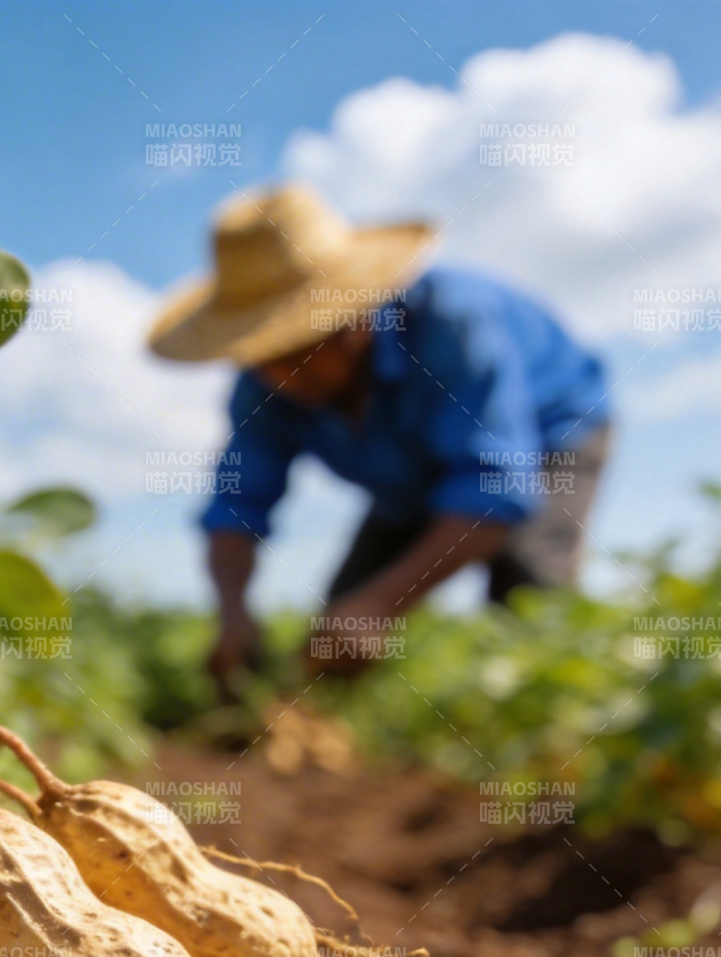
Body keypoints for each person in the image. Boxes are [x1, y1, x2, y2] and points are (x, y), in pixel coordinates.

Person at [148, 184, 611, 687]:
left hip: (551, 434)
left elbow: (494, 486)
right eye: (264, 356)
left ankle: (543, 715)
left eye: (299, 349)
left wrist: (382, 603)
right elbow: (238, 502)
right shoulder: (265, 385)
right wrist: (233, 614)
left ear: (355, 319)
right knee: (338, 627)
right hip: (411, 474)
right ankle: (311, 716)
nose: (282, 376)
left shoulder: (452, 327)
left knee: (529, 587)